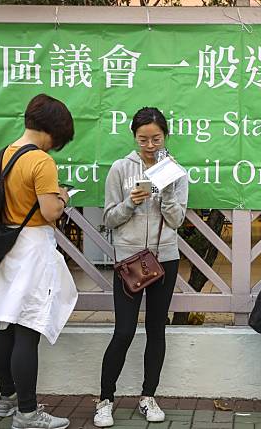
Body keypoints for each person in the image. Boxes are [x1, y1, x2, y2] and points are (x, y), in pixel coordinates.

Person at [0, 94, 78, 429]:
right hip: (31, 248)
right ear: (53, 130)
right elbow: (49, 213)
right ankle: (28, 414)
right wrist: (62, 196)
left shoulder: (2, 156)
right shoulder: (42, 162)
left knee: (5, 326)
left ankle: (7, 399)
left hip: (4, 247)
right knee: (28, 331)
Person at [93, 107, 188, 427]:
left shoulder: (174, 171)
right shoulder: (120, 169)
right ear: (134, 136)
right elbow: (108, 219)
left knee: (156, 329)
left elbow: (177, 221)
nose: (149, 145)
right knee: (123, 331)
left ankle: (148, 396)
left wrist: (167, 195)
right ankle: (105, 399)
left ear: (166, 137)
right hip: (130, 260)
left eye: (156, 138)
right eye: (143, 139)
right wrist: (130, 203)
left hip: (165, 258)